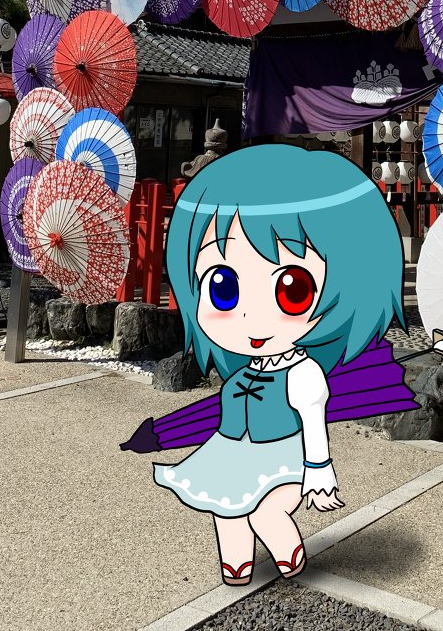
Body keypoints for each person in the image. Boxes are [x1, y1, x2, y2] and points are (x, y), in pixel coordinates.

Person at [153, 143, 406, 586]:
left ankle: (288, 553)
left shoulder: (303, 372)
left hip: (284, 457)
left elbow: (313, 420)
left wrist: (319, 468)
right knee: (226, 509)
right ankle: (236, 565)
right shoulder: (242, 368)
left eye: (292, 290)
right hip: (232, 450)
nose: (251, 318)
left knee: (267, 511)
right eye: (223, 288)